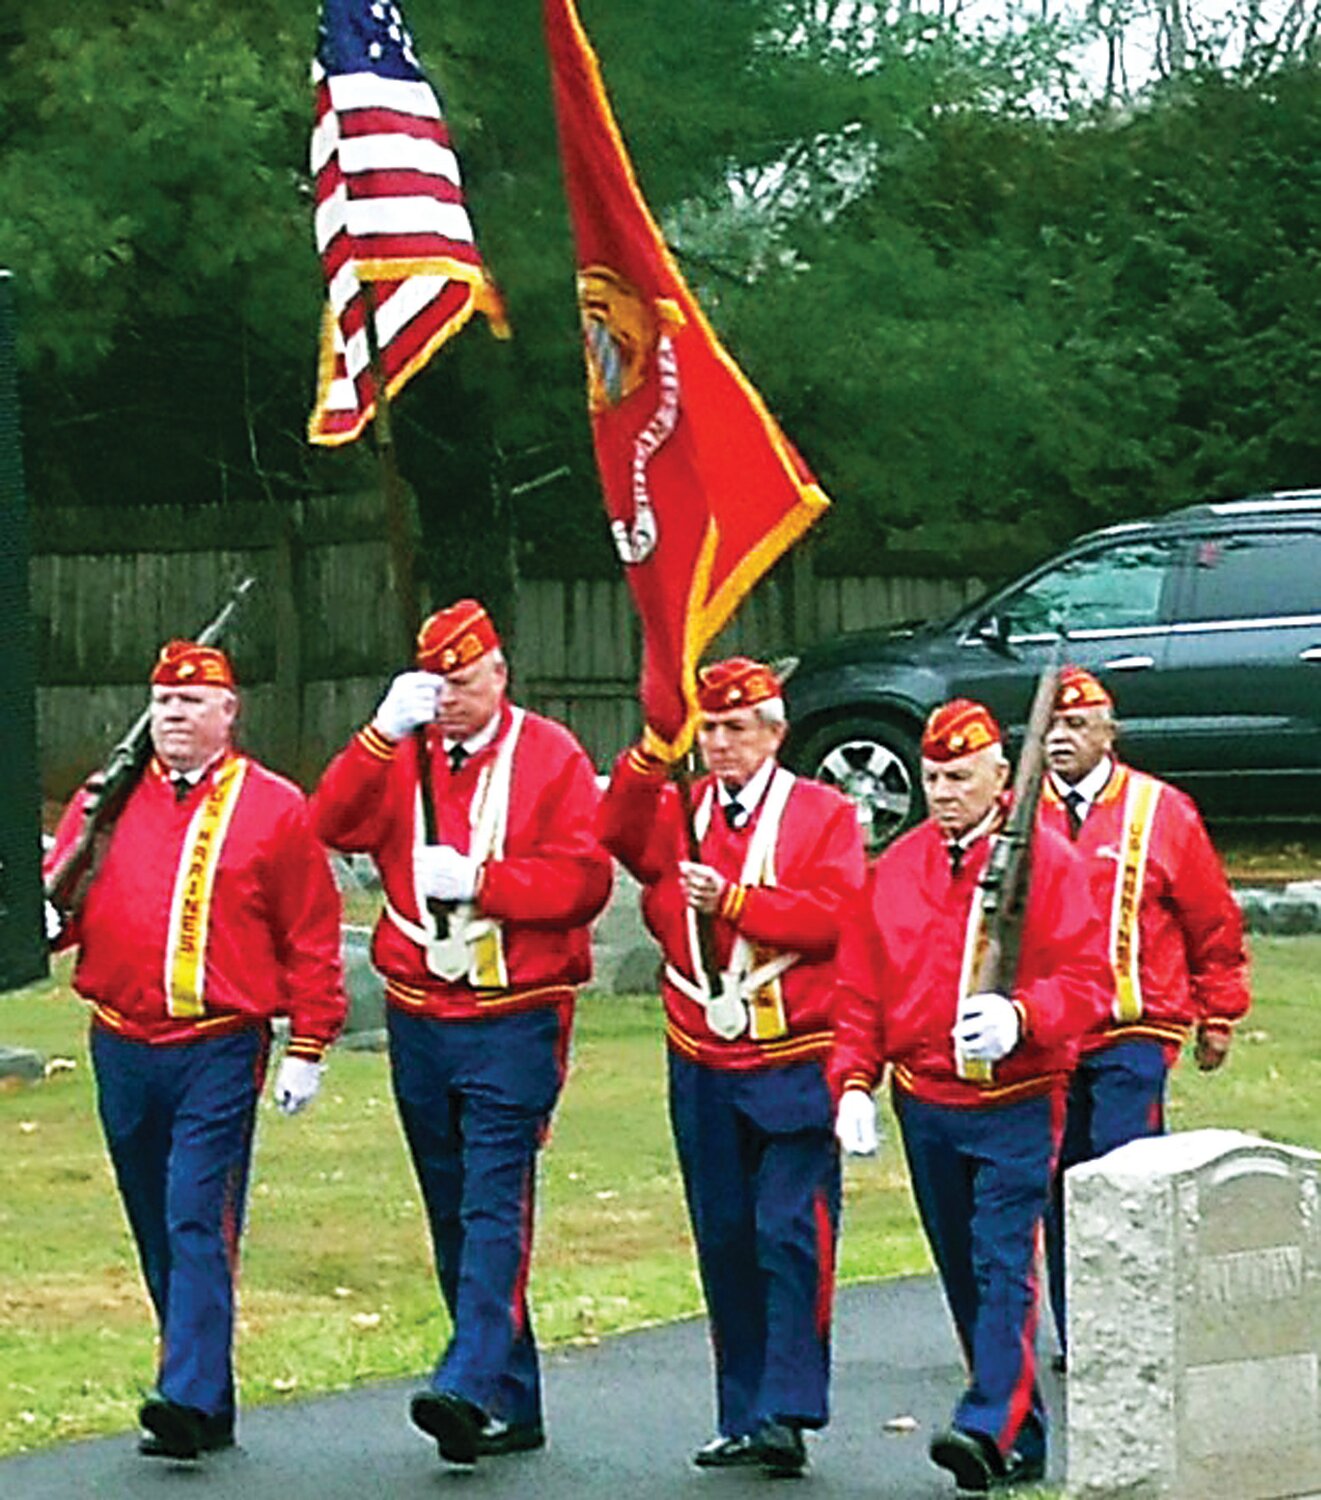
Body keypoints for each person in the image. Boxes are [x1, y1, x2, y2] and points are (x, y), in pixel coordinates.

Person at [310, 598, 611, 1468]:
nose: (451, 699)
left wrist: (486, 880)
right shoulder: (404, 752)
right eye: (437, 684)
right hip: (419, 1014)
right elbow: (328, 824)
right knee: (449, 1203)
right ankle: (508, 1399)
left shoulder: (549, 756)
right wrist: (376, 736)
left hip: (512, 1015)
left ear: (499, 675)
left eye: (465, 682)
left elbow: (583, 882)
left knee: (493, 1199)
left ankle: (469, 1378)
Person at [43, 640, 346, 1461]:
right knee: (152, 1219)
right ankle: (205, 1396)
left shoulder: (275, 808)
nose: (175, 716)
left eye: (192, 702)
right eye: (163, 702)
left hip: (217, 1044)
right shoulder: (106, 798)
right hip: (121, 1042)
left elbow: (312, 934)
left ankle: (181, 1392)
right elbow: (65, 896)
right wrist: (39, 922)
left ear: (227, 713)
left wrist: (308, 1043)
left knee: (195, 1215)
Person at [829, 698, 1109, 1496]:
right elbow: (860, 991)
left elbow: (1087, 983)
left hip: (1016, 1097)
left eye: (959, 776)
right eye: (931, 777)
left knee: (1000, 1263)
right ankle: (1018, 1437)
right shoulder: (897, 867)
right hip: (926, 1099)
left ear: (998, 774)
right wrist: (853, 1080)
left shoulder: (1050, 863)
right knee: (962, 1268)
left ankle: (986, 1419)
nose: (943, 791)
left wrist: (1022, 1015)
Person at [598, 657, 866, 1477]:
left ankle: (788, 1408)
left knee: (788, 1230)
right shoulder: (680, 811)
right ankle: (741, 1411)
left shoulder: (821, 814)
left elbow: (836, 916)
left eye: (735, 728)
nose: (719, 744)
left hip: (790, 1054)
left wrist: (740, 904)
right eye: (709, 729)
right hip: (701, 1054)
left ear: (775, 735)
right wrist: (653, 746)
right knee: (722, 1236)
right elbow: (615, 832)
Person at [1039, 665, 1250, 1365]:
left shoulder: (1162, 811)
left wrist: (1217, 1010)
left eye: (1077, 725)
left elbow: (1209, 919)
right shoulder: (1016, 811)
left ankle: (1140, 1319)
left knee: (1125, 1172)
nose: (1061, 738)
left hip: (1135, 1028)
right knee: (1059, 1181)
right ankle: (1084, 1335)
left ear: (1110, 733)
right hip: (1045, 1037)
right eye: (1052, 725)